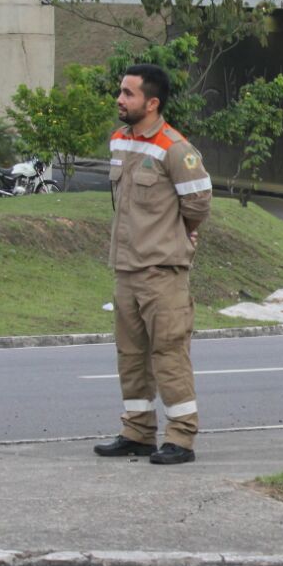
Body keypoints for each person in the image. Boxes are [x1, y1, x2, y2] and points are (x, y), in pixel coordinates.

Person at [93, 64, 212, 465]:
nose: (120, 99)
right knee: (130, 355)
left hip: (162, 272)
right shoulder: (119, 141)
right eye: (120, 91)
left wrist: (181, 233)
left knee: (169, 354)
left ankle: (181, 437)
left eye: (128, 93)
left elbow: (198, 203)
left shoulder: (175, 148)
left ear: (152, 102)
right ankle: (138, 431)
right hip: (126, 268)